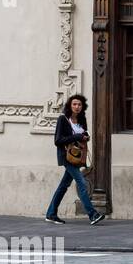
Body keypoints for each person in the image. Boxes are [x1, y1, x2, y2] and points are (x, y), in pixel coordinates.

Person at [45, 94, 106, 225]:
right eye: (74, 104)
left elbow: (82, 137)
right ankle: (93, 214)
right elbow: (58, 140)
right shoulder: (63, 119)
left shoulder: (82, 119)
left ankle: (51, 214)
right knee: (82, 183)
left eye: (79, 104)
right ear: (69, 106)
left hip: (77, 158)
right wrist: (77, 136)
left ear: (82, 106)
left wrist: (85, 137)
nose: (77, 107)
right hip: (67, 157)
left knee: (63, 186)